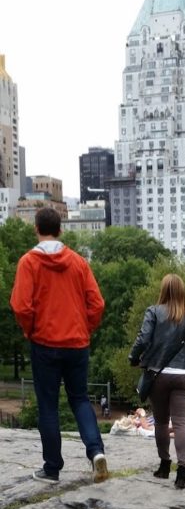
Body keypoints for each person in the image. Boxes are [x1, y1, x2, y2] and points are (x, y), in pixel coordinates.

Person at [10, 207, 109, 483]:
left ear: (36, 229)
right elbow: (97, 303)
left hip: (45, 343)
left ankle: (52, 468)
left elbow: (21, 306)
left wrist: (30, 331)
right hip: (77, 344)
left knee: (48, 406)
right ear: (61, 229)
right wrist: (84, 328)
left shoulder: (28, 263)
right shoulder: (78, 262)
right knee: (79, 399)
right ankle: (96, 452)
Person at [128, 274, 185, 489]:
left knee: (161, 421)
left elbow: (143, 338)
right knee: (179, 421)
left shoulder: (154, 311)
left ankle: (164, 466)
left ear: (163, 290)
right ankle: (183, 472)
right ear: (182, 292)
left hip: (159, 374)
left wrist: (133, 357)